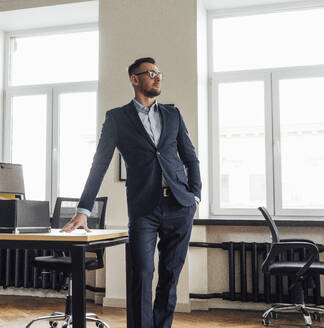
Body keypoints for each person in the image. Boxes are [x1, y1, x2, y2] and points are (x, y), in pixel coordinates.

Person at [60, 57, 201, 328]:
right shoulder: (117, 118)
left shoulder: (173, 114)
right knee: (141, 275)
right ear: (135, 79)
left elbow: (190, 158)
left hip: (180, 205)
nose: (158, 77)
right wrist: (83, 209)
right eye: (151, 73)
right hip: (143, 209)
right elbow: (99, 164)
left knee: (170, 277)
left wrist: (195, 195)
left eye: (159, 72)